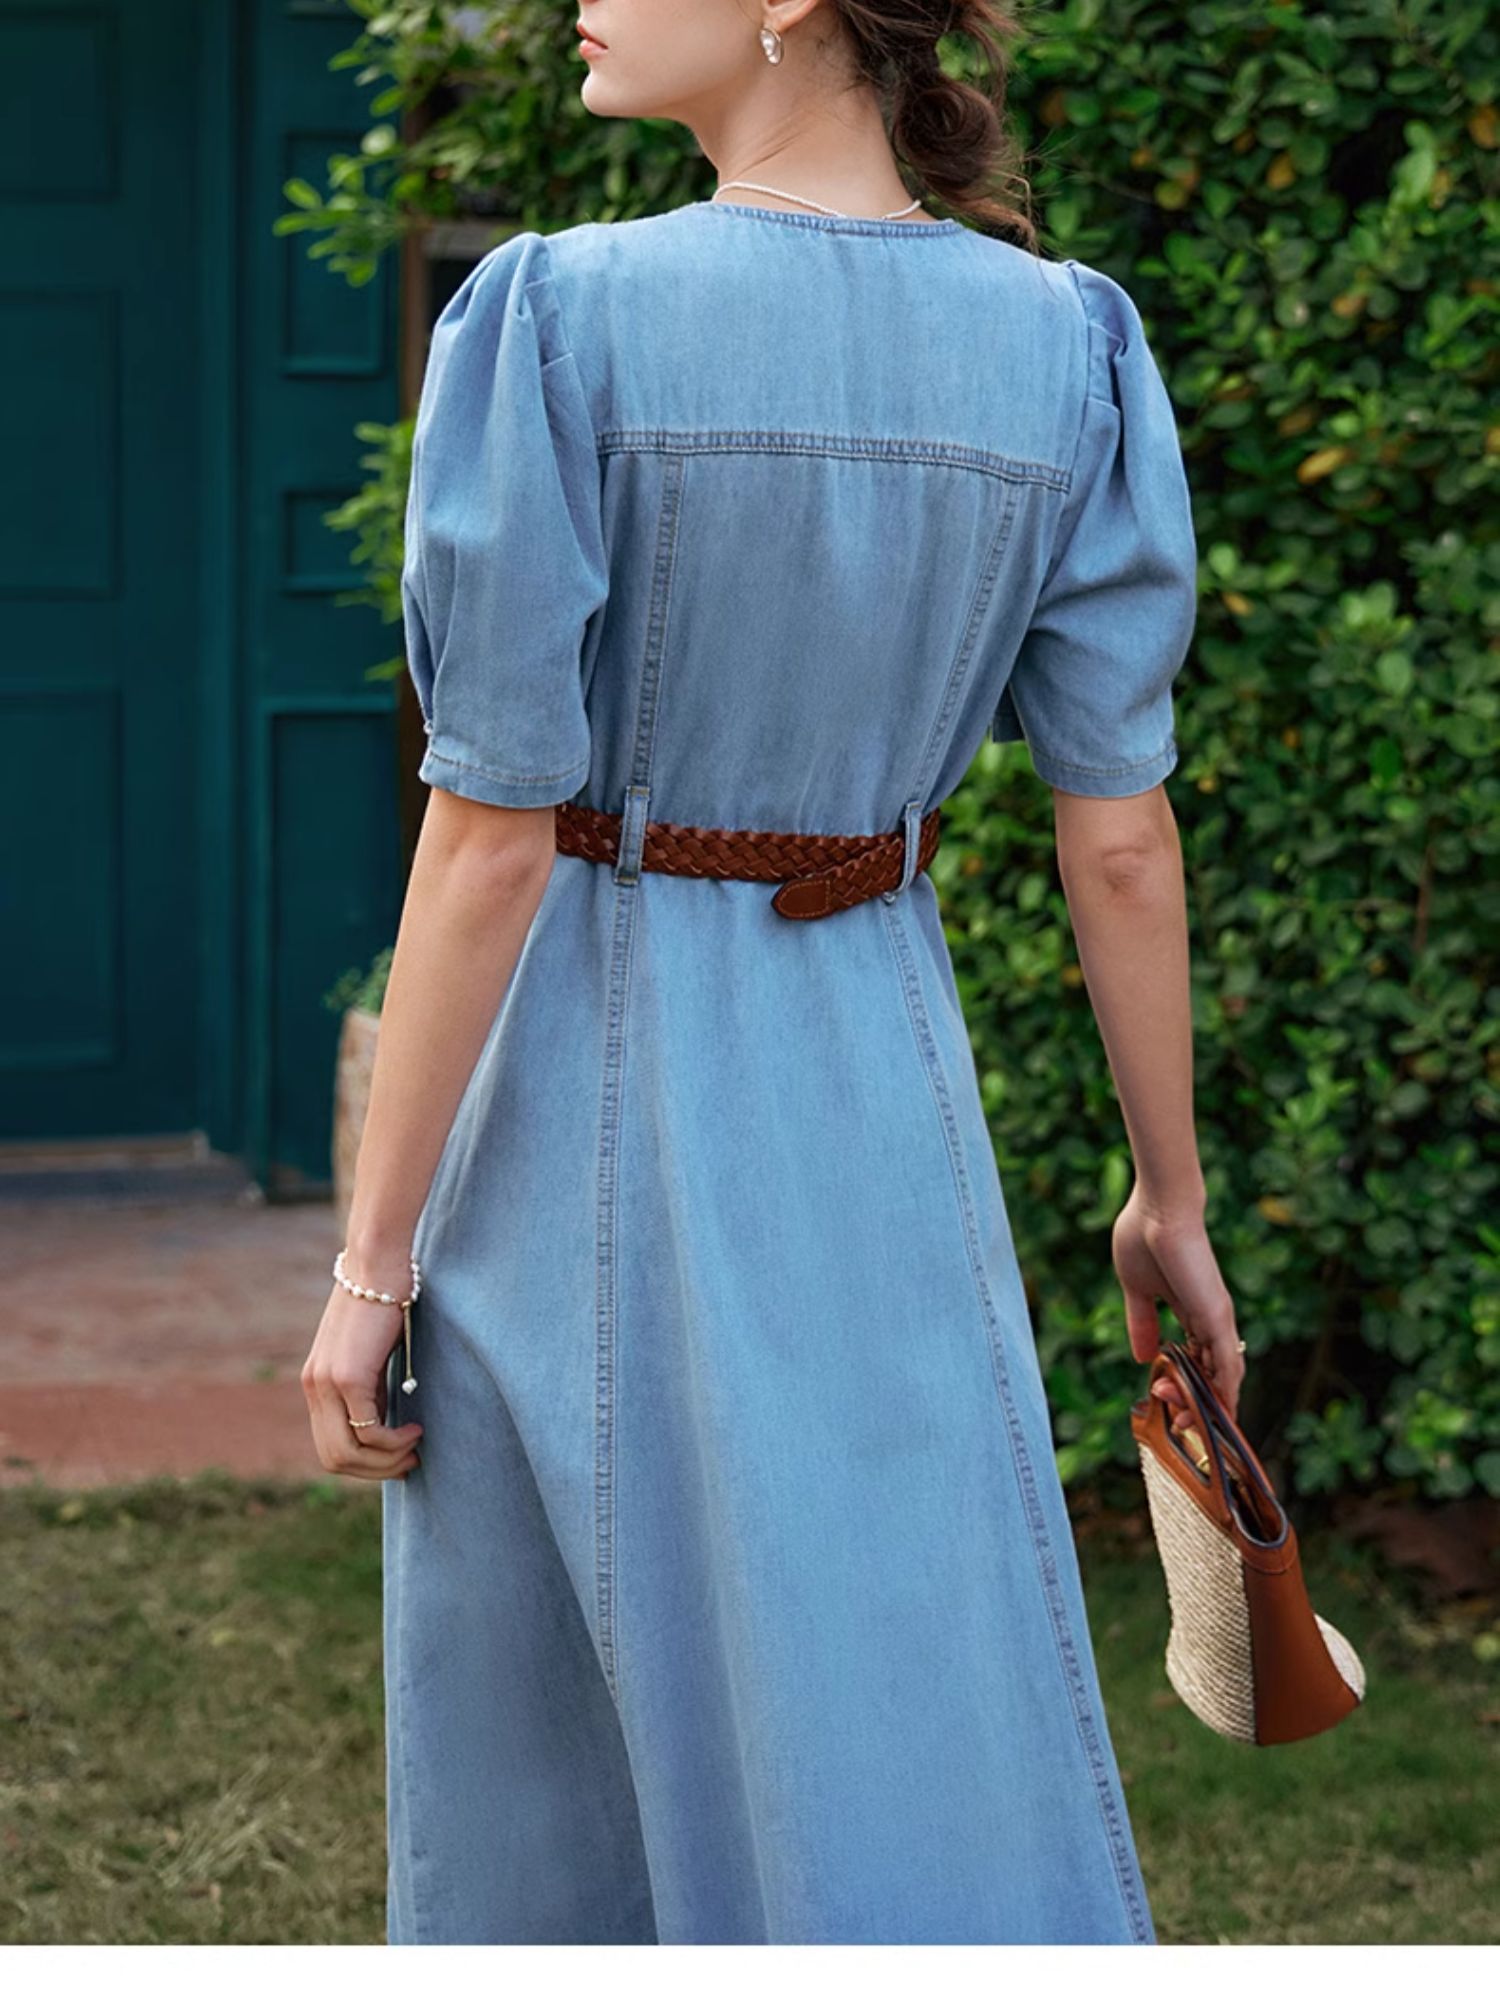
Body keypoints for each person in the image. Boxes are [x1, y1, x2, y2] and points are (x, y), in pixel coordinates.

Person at [300, 0, 1245, 1947]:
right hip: (877, 1066)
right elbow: (1121, 840)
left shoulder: (559, 319)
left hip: (581, 1087)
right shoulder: (1069, 348)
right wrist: (1171, 1193)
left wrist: (370, 1263)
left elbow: (487, 837)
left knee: (552, 1759)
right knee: (901, 1650)